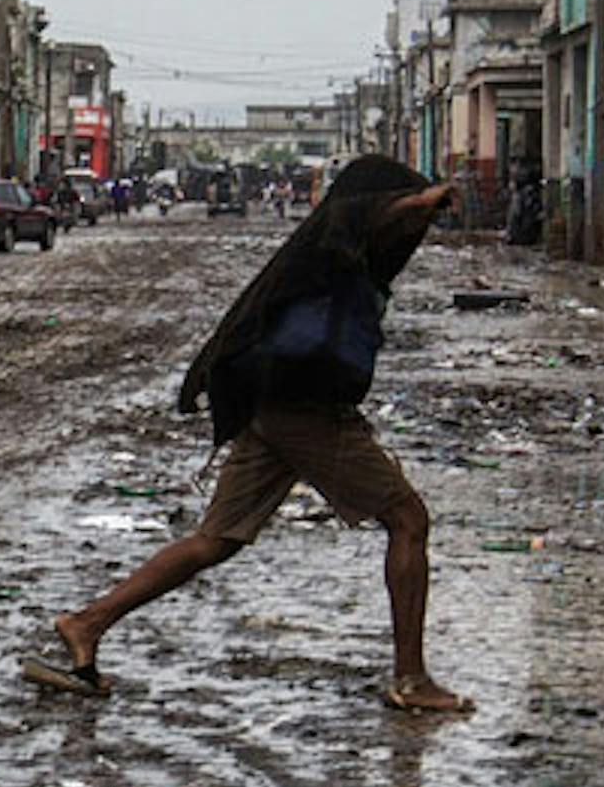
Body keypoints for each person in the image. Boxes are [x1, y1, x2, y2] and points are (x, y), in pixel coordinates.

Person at [25, 155, 471, 714]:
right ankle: (411, 679)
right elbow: (355, 211)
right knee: (408, 520)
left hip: (274, 406)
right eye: (407, 215)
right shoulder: (331, 248)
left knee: (218, 539)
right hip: (303, 409)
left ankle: (87, 622)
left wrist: (419, 206)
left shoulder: (357, 260)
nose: (416, 232)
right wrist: (421, 199)